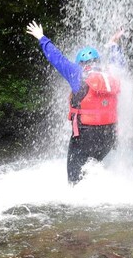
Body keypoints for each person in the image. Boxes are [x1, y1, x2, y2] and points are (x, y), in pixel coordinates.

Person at [26, 21, 124, 184]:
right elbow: (119, 61)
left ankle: (77, 199)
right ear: (97, 62)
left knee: (74, 180)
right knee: (93, 167)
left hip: (85, 136)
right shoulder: (112, 74)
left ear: (81, 64)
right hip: (109, 136)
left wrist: (41, 37)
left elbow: (57, 59)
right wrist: (114, 44)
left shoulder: (77, 74)